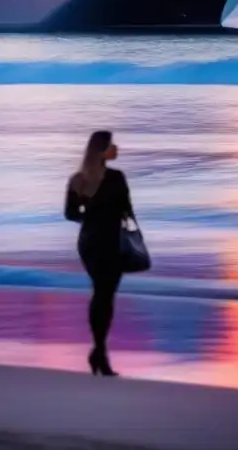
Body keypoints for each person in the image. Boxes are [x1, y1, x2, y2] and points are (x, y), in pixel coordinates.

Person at [64, 130, 135, 377]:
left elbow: (71, 214)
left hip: (89, 242)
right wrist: (134, 237)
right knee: (105, 295)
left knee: (101, 294)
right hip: (110, 242)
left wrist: (90, 213)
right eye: (111, 145)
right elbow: (127, 212)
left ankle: (99, 352)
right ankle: (99, 354)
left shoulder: (78, 180)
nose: (116, 148)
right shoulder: (116, 178)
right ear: (101, 150)